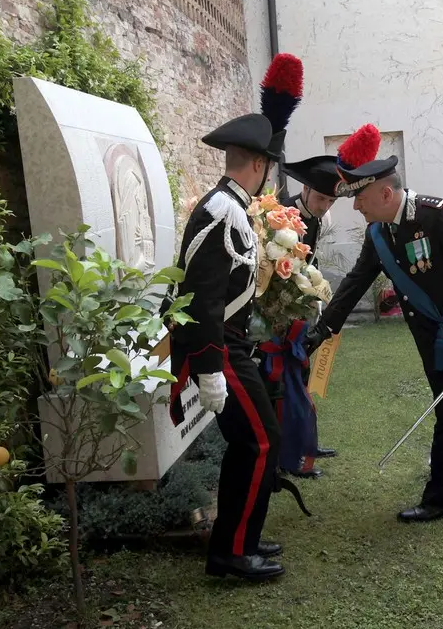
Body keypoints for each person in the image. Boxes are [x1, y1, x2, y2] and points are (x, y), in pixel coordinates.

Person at [304, 124, 443, 522]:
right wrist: (322, 330)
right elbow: (354, 285)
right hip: (429, 330)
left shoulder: (439, 214)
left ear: (385, 193)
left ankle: (442, 499)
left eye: (359, 198)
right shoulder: (378, 233)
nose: (356, 208)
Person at [165, 54, 305, 581]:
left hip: (231, 343)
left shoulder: (234, 204)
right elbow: (200, 294)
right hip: (219, 345)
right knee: (260, 441)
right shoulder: (223, 209)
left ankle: (238, 540)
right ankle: (230, 554)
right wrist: (208, 368)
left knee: (259, 440)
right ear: (259, 163)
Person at [268, 155, 342, 478]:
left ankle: (308, 443)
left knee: (305, 376)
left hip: (302, 309)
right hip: (279, 312)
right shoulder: (283, 215)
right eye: (321, 198)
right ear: (306, 189)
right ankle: (290, 454)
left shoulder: (317, 219)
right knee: (287, 383)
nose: (325, 205)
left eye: (330, 200)